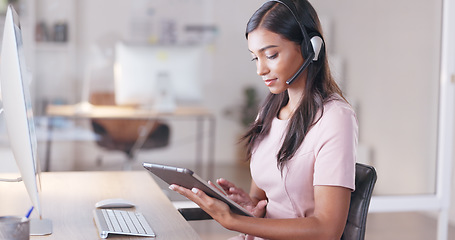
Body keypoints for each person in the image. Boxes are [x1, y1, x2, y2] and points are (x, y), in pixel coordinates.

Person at [170, 0, 358, 239]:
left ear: (311, 48)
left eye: (271, 55)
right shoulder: (270, 111)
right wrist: (249, 206)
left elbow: (327, 229)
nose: (260, 69)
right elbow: (265, 200)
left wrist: (234, 221)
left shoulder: (335, 118)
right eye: (255, 58)